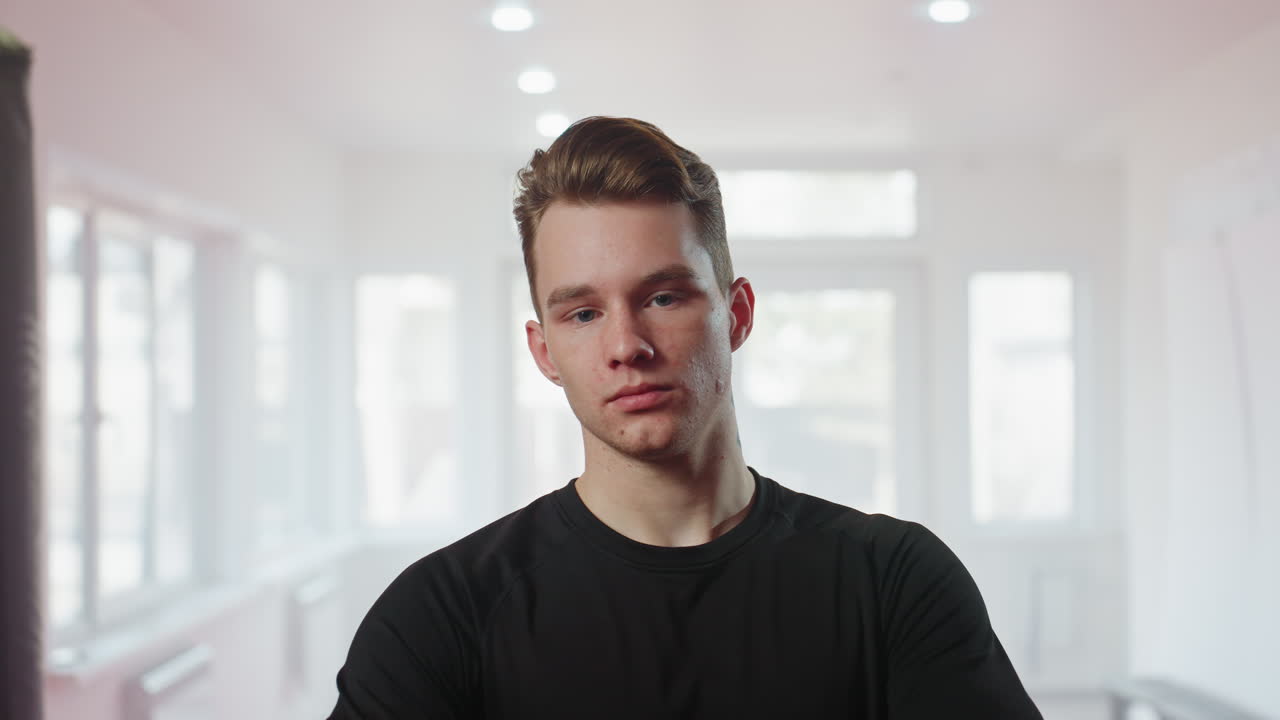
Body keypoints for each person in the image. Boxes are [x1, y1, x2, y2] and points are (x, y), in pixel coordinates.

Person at [329, 116, 1043, 719]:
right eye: (583, 313)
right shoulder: (442, 616)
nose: (626, 346)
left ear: (736, 314)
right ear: (544, 351)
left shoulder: (893, 584)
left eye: (664, 297)